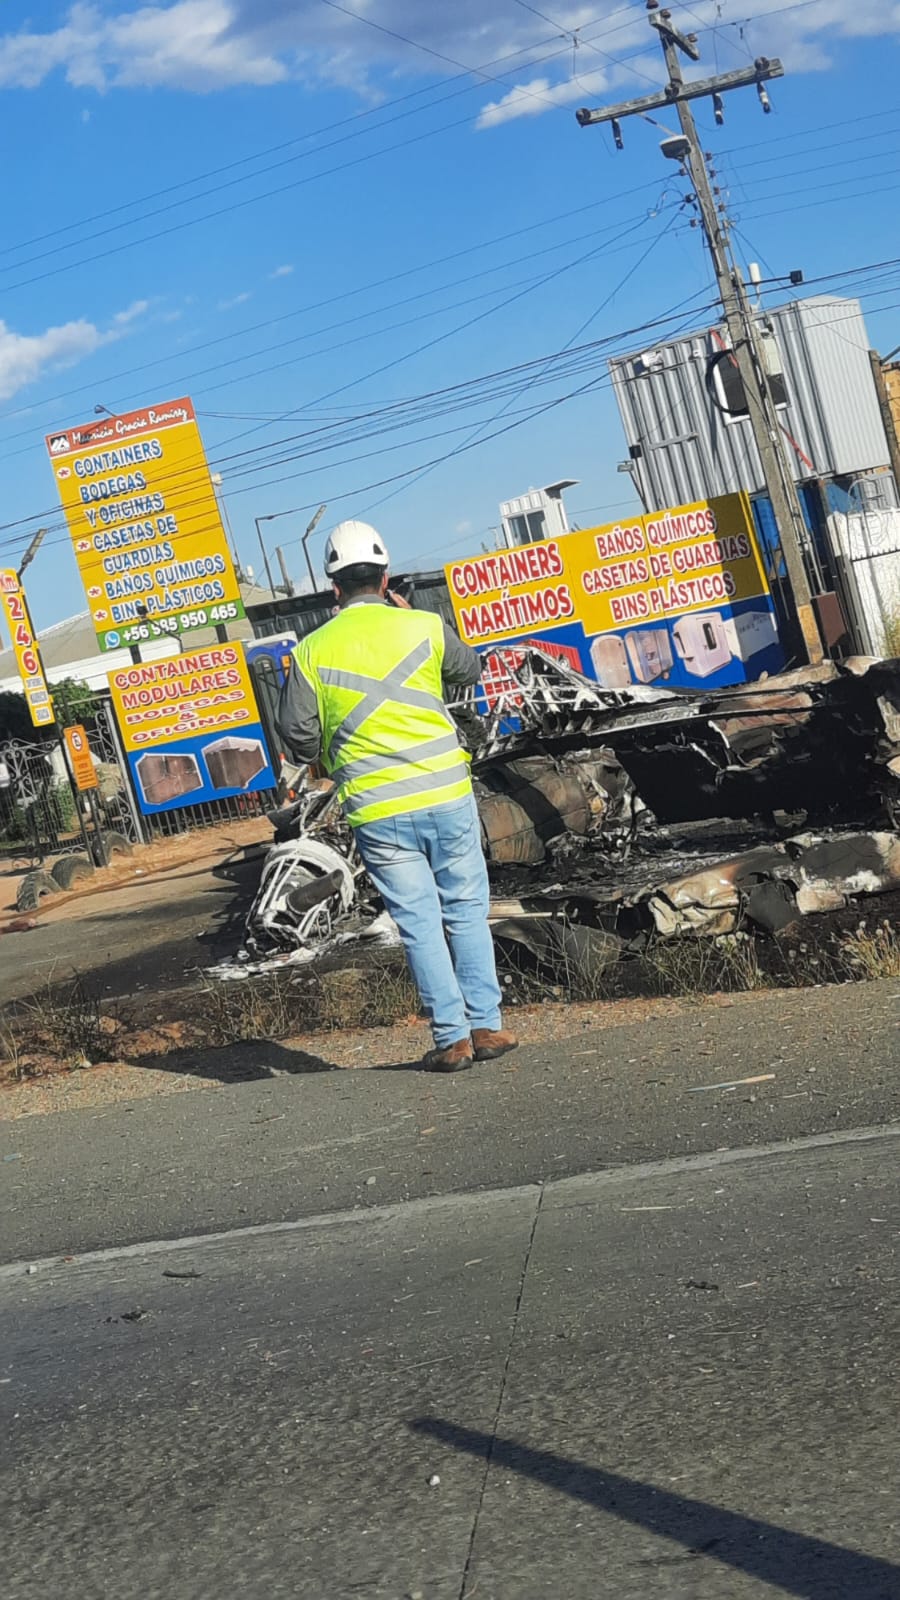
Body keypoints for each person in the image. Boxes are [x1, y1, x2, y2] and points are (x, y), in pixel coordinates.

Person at [276, 519, 517, 1073]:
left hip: (379, 808)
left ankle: (452, 1039)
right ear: (385, 578)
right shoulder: (424, 625)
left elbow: (299, 736)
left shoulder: (312, 652)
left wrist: (333, 750)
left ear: (333, 586)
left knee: (420, 922)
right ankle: (487, 1027)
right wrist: (413, 621)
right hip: (446, 794)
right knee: (465, 911)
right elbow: (468, 669)